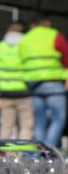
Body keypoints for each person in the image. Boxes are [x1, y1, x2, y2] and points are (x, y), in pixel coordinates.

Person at [19, 15, 68, 147]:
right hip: (53, 82)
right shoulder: (54, 35)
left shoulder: (25, 39)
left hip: (33, 84)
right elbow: (66, 56)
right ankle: (49, 150)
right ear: (47, 23)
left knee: (40, 121)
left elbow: (21, 60)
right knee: (59, 118)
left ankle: (39, 153)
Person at [0, 21, 33, 140]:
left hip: (5, 92)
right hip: (23, 91)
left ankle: (3, 155)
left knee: (6, 126)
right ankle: (21, 154)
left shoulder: (0, 46)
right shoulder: (25, 46)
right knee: (26, 126)